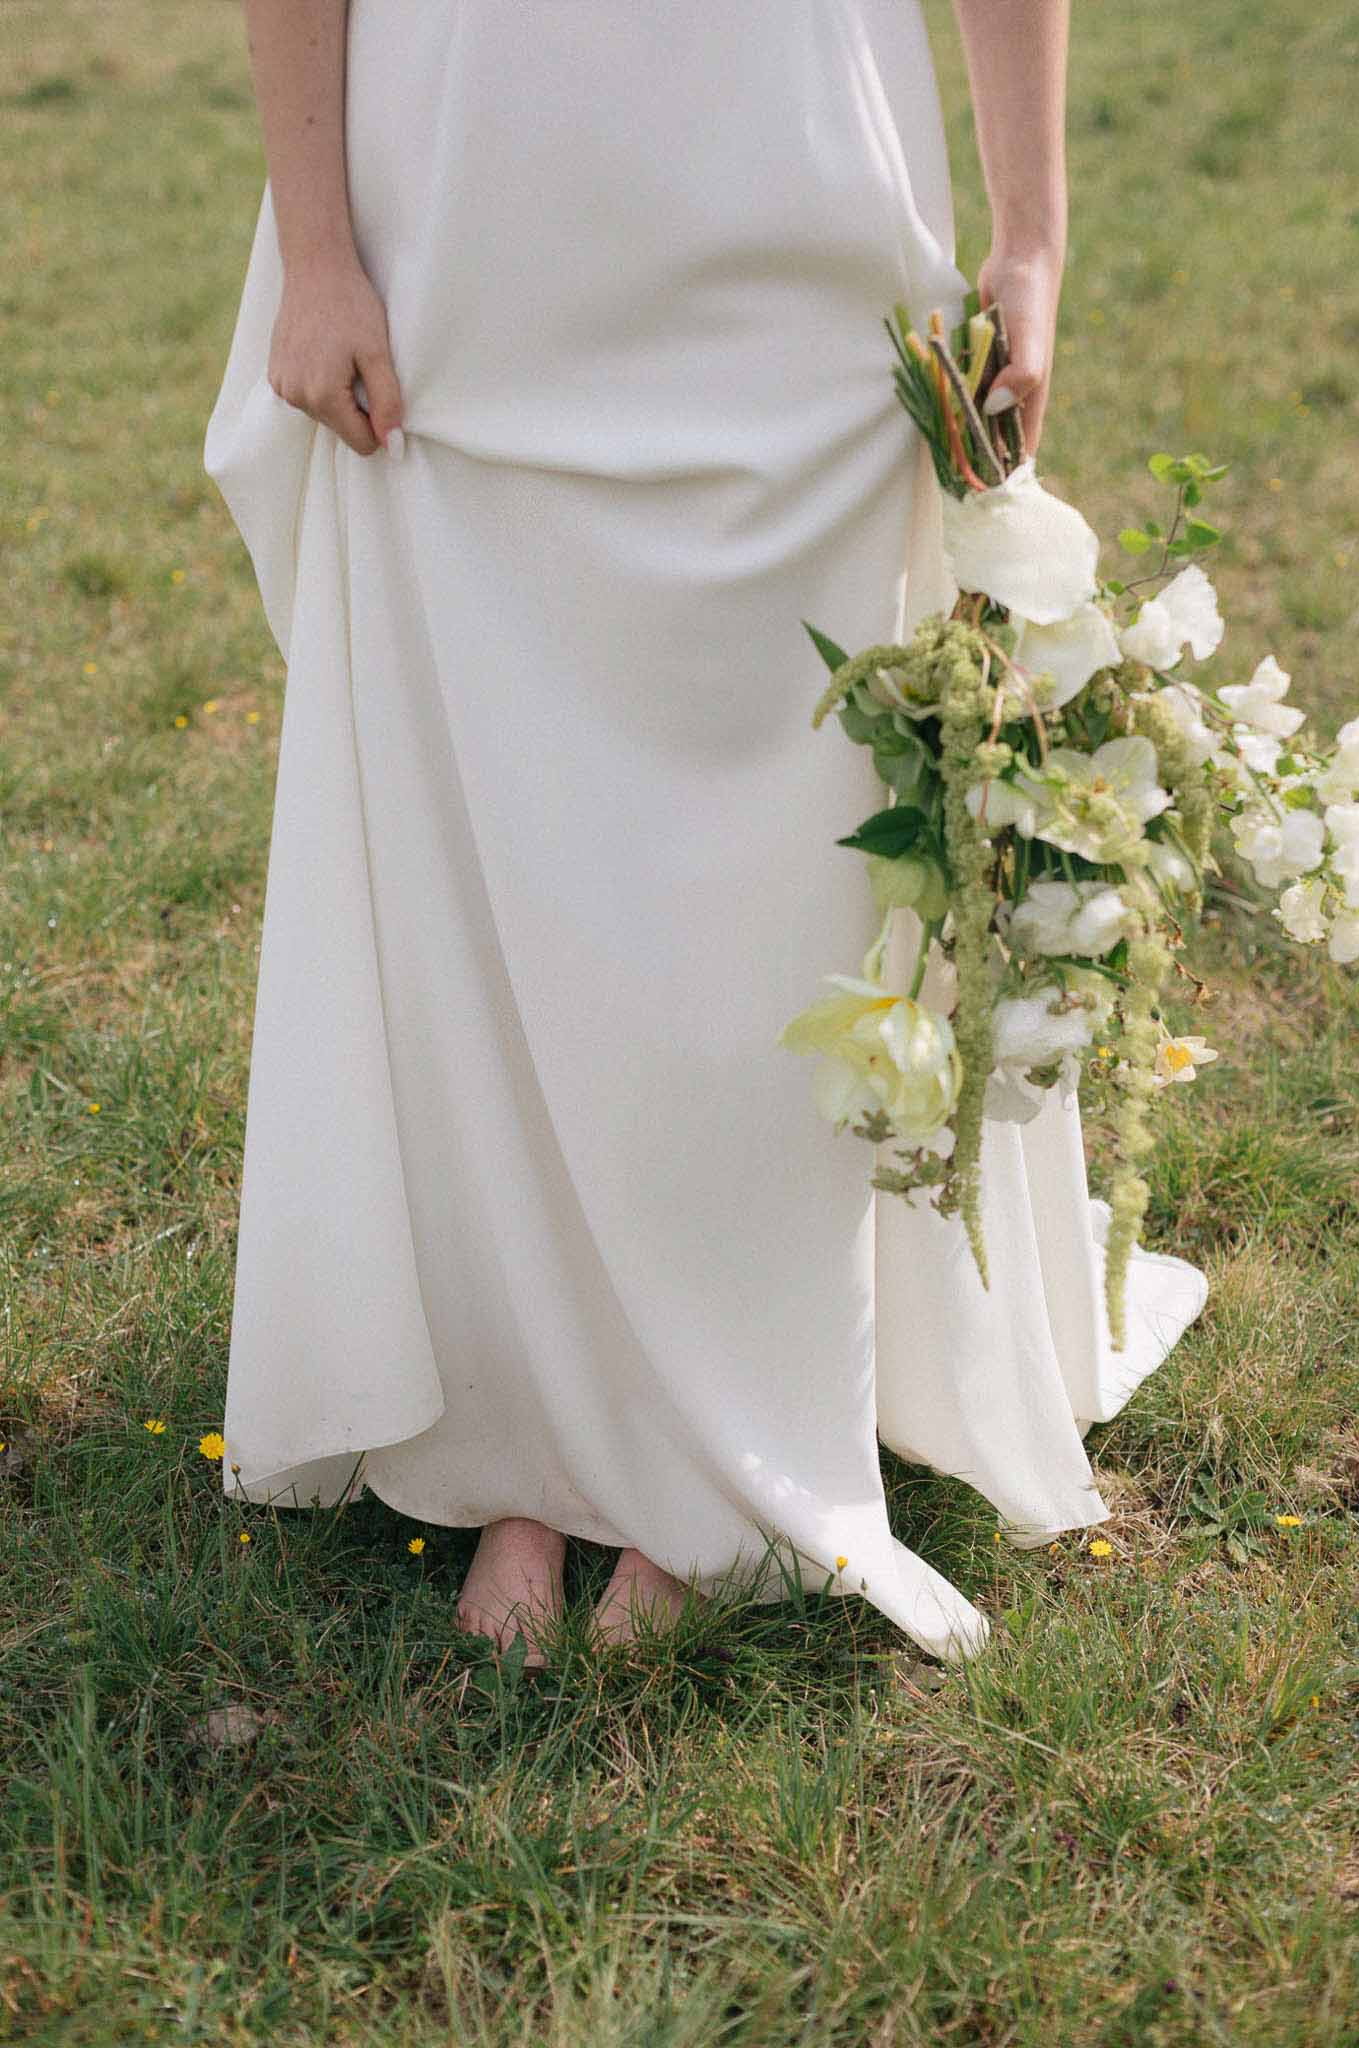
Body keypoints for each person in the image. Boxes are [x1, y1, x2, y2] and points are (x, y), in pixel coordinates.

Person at [203, 0, 1206, 1671]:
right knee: (503, 807)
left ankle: (736, 1418)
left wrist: (1032, 235)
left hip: (786, 177)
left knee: (773, 818)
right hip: (466, 211)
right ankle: (534, 1435)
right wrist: (316, 246)